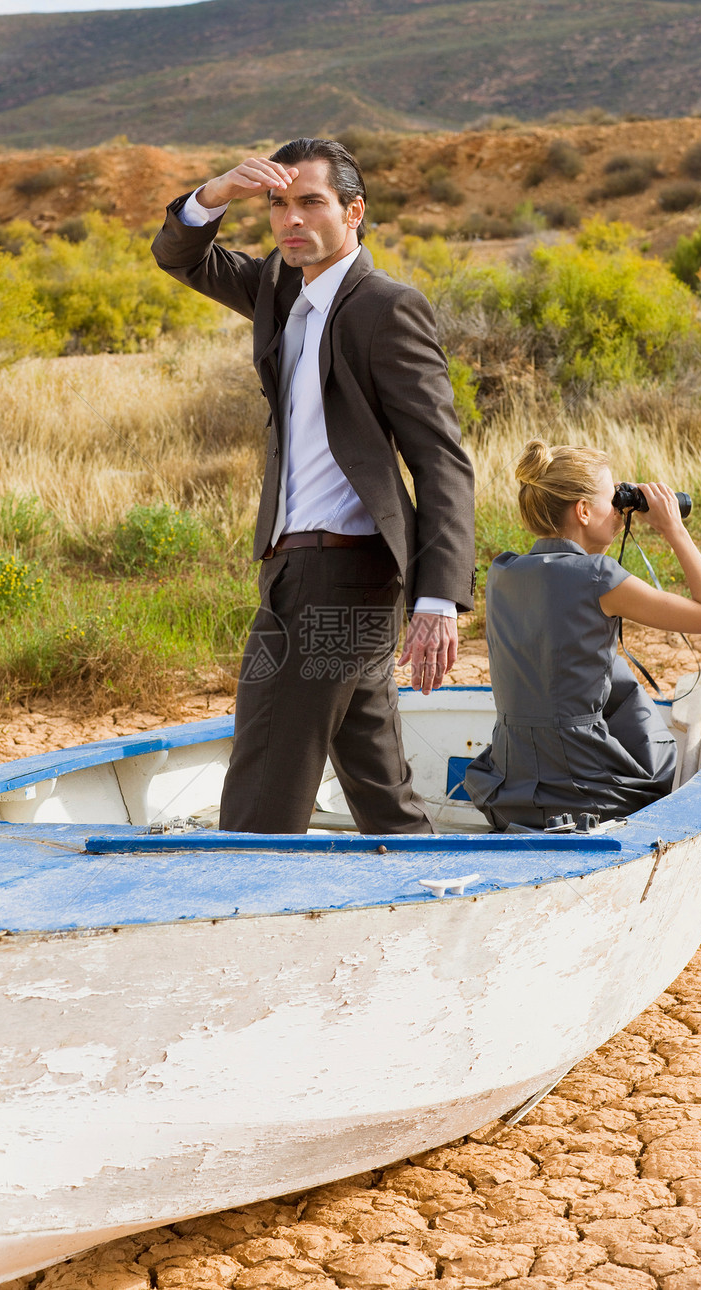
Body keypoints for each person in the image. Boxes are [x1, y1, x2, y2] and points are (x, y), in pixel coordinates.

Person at [152, 137, 476, 834]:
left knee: (263, 787)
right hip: (289, 569)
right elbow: (178, 254)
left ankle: (234, 928)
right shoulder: (277, 287)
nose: (290, 219)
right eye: (277, 204)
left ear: (353, 211)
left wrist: (439, 597)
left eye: (310, 203)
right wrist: (216, 192)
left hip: (340, 573)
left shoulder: (385, 307)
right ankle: (429, 908)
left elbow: (441, 457)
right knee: (377, 784)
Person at [465, 439, 701, 831]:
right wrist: (674, 530)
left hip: (509, 785)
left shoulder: (502, 572)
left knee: (608, 670)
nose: (621, 514)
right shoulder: (599, 577)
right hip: (584, 791)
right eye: (614, 500)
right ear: (584, 511)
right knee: (649, 738)